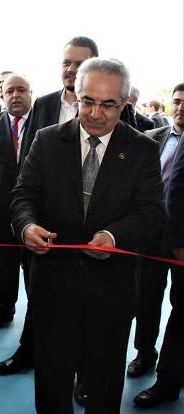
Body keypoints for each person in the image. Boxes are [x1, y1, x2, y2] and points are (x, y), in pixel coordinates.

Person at [11, 57, 165, 413]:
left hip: (111, 292)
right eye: (88, 101)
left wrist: (114, 236)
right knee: (52, 384)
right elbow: (23, 196)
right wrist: (27, 226)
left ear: (125, 102)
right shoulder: (47, 140)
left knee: (104, 387)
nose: (95, 114)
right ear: (76, 96)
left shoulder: (141, 149)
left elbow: (151, 213)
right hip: (53, 287)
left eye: (108, 104)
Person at [0, 36, 99, 386]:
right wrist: (23, 218)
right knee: (38, 295)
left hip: (92, 232)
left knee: (85, 306)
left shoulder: (109, 107)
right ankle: (29, 352)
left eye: (79, 63)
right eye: (66, 62)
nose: (71, 69)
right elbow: (28, 165)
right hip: (44, 228)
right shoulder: (45, 104)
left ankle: (84, 374)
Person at [133, 83, 184, 409]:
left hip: (183, 244)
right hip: (151, 237)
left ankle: (170, 378)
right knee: (145, 298)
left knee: (181, 308)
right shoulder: (153, 137)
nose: (181, 107)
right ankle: (144, 354)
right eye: (177, 101)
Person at [0, 73, 32, 330]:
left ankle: (37, 317)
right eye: (10, 91)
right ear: (2, 95)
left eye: (21, 90)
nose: (15, 95)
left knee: (35, 269)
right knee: (3, 265)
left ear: (30, 93)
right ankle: (3, 309)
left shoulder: (42, 124)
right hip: (0, 211)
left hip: (34, 213)